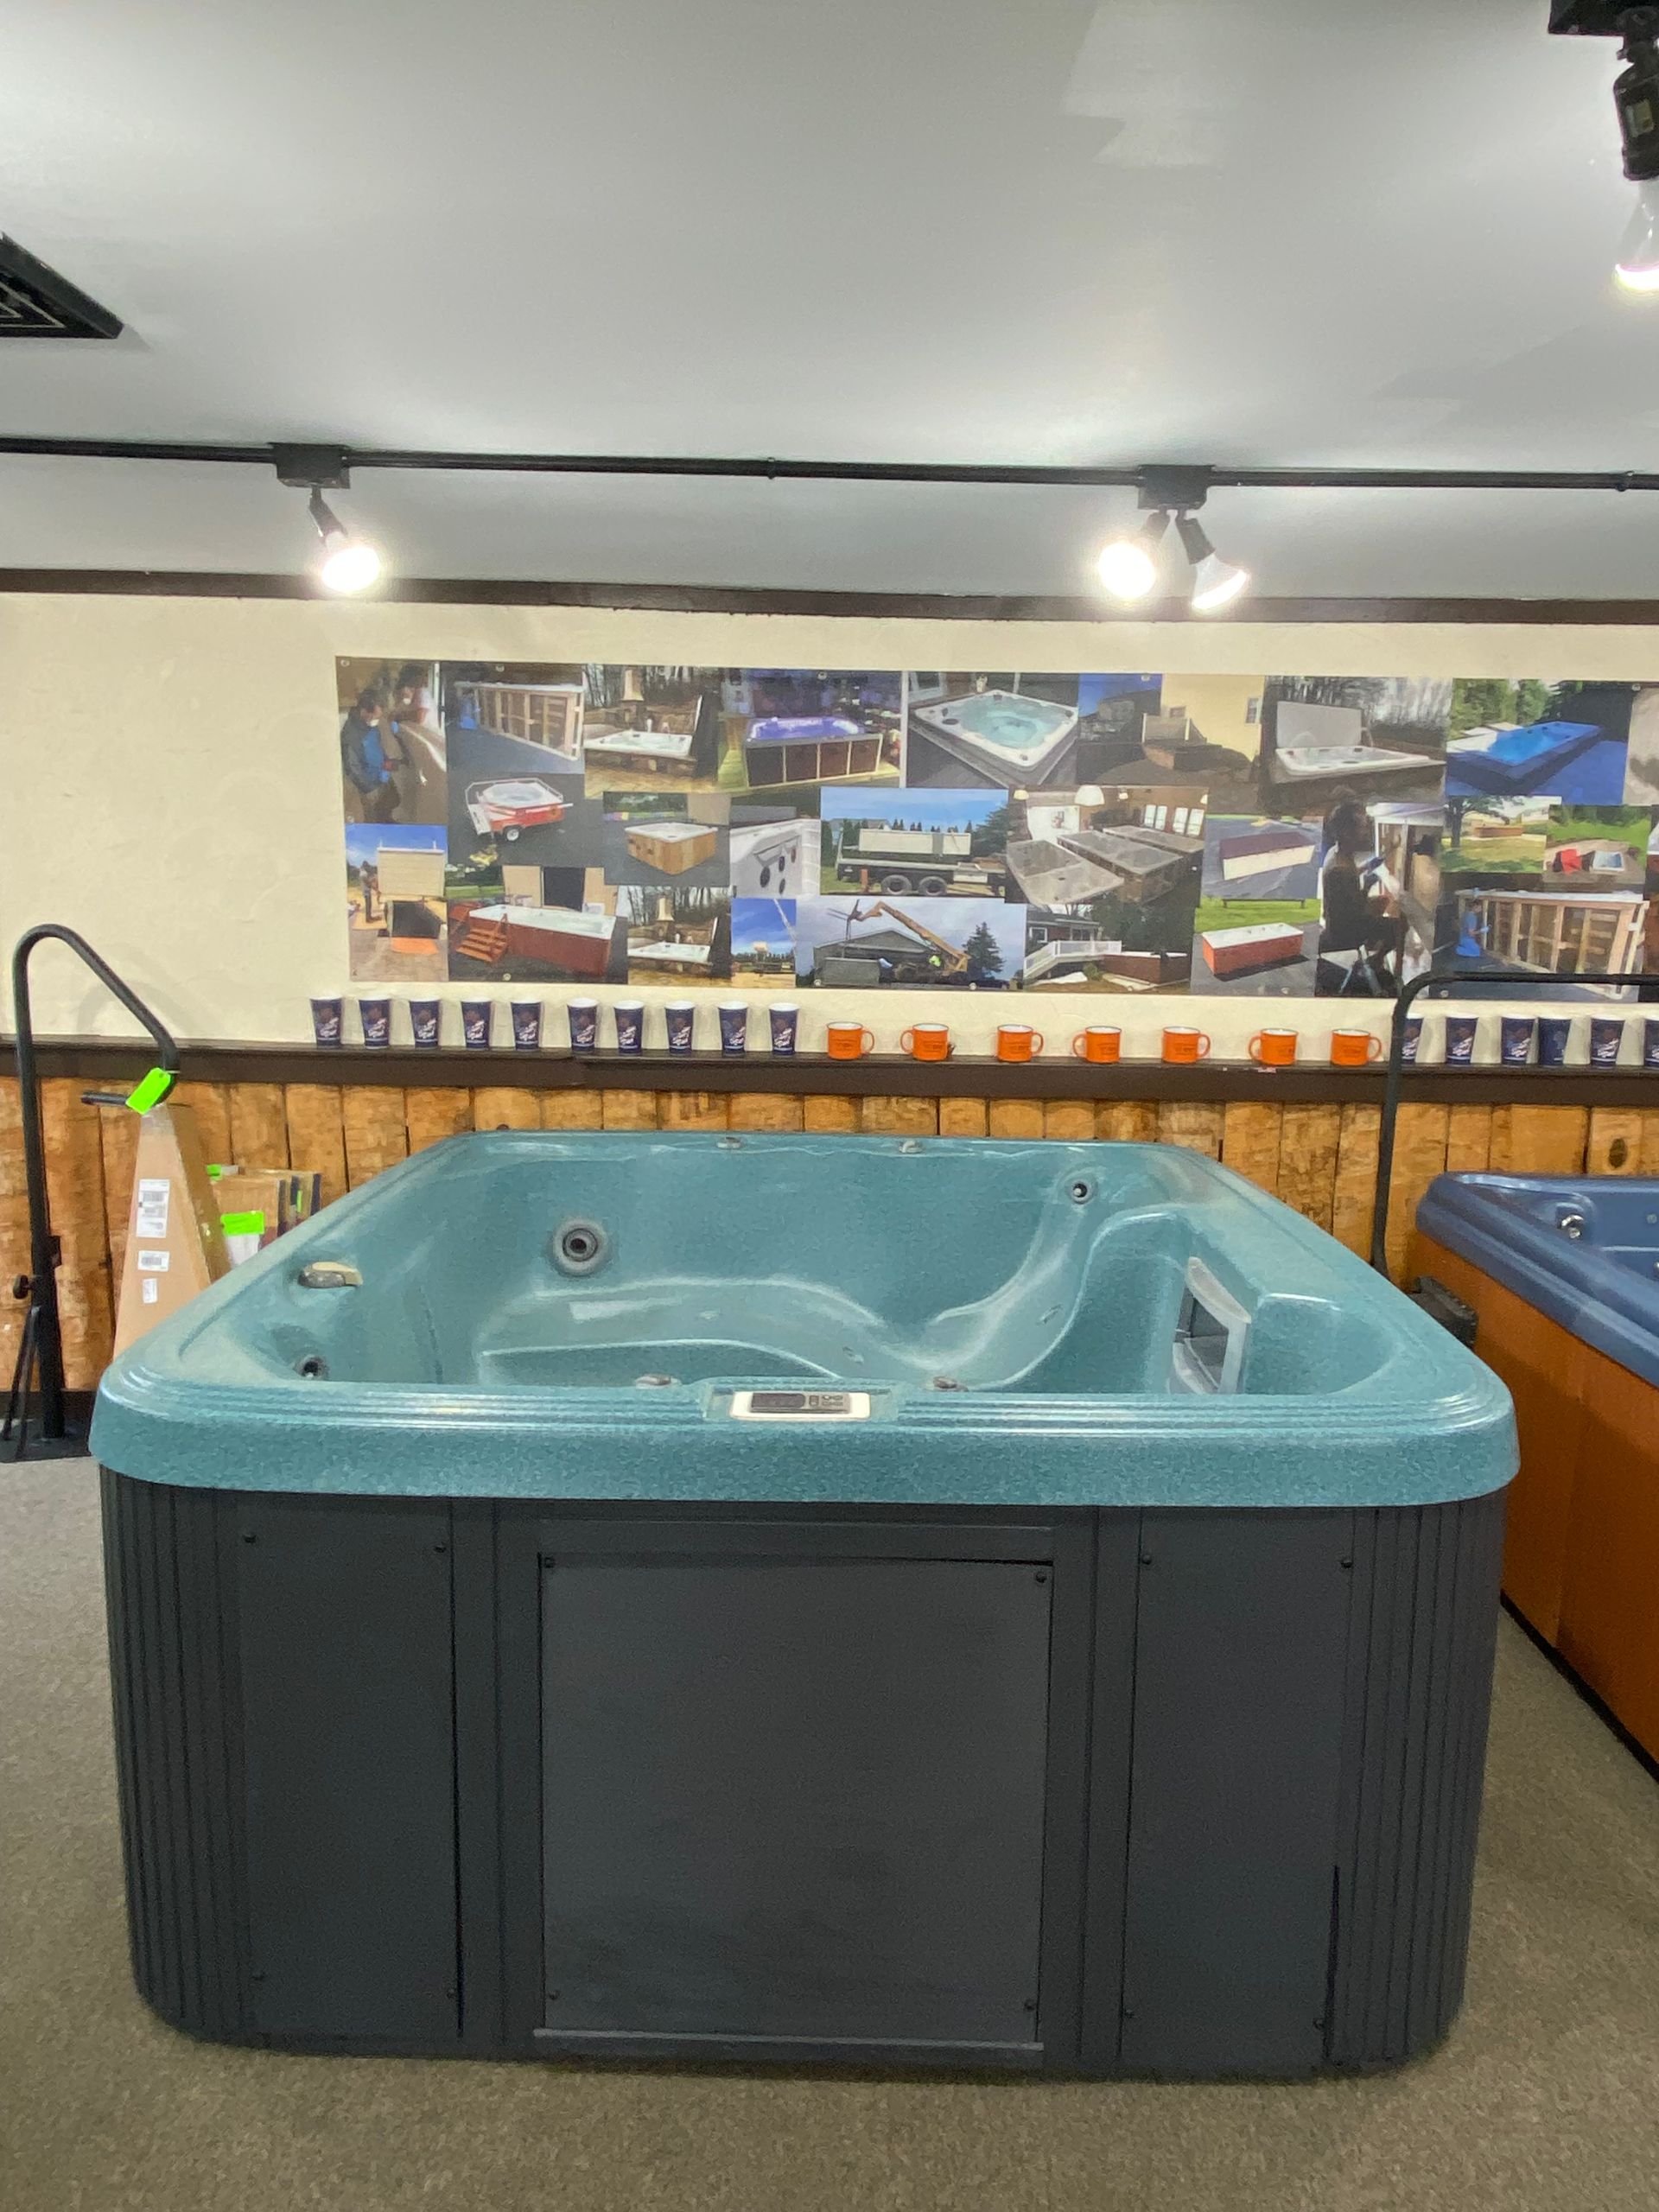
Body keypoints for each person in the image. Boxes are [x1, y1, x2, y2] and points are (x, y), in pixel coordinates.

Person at [1318, 792, 1398, 989]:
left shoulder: (1338, 853)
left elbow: (1350, 881)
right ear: (1347, 832)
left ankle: (1374, 955)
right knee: (1398, 927)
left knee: (1382, 902)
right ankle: (1376, 960)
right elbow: (1356, 908)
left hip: (1337, 919)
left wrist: (1367, 865)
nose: (1366, 829)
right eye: (1362, 825)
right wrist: (1369, 884)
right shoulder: (1340, 869)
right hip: (1343, 931)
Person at [340, 690, 397, 823]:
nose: (376, 721)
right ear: (364, 711)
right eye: (374, 717)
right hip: (365, 791)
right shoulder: (351, 735)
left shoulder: (371, 727)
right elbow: (352, 768)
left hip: (381, 782)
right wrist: (370, 789)